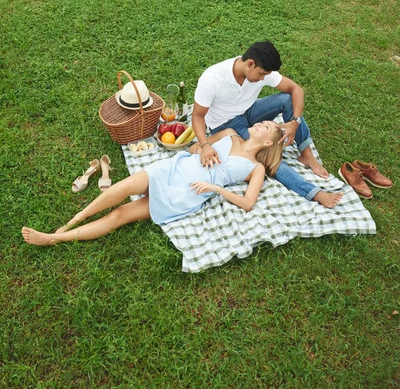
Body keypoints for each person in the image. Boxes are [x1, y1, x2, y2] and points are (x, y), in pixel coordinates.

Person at [22, 122, 288, 247]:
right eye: (262, 122)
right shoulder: (230, 135)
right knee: (122, 187)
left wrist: (216, 189)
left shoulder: (256, 168)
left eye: (265, 127)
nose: (259, 124)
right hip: (175, 168)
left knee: (120, 214)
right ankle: (71, 221)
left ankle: (55, 238)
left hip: (188, 190)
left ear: (267, 142)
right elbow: (198, 145)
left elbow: (248, 203)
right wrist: (204, 149)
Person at [192, 40, 343, 209]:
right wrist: (205, 145)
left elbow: (296, 90)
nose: (263, 79)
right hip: (227, 124)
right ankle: (315, 193)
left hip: (248, 110)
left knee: (287, 100)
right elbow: (197, 116)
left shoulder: (259, 69)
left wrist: (294, 122)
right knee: (269, 156)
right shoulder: (213, 78)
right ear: (250, 64)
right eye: (262, 74)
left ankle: (306, 154)